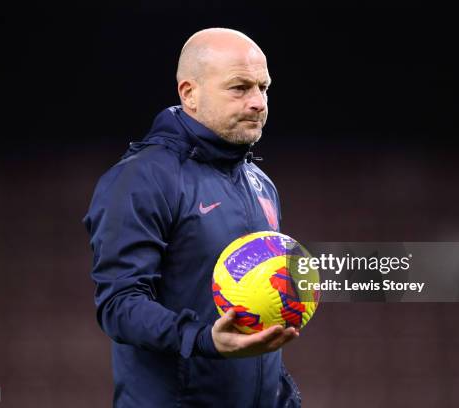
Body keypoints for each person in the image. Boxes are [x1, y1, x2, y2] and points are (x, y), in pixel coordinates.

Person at [83, 28, 301, 407]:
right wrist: (203, 338)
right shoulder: (141, 179)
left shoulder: (260, 182)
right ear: (189, 93)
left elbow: (256, 318)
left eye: (263, 88)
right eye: (239, 88)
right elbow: (119, 305)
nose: (258, 102)